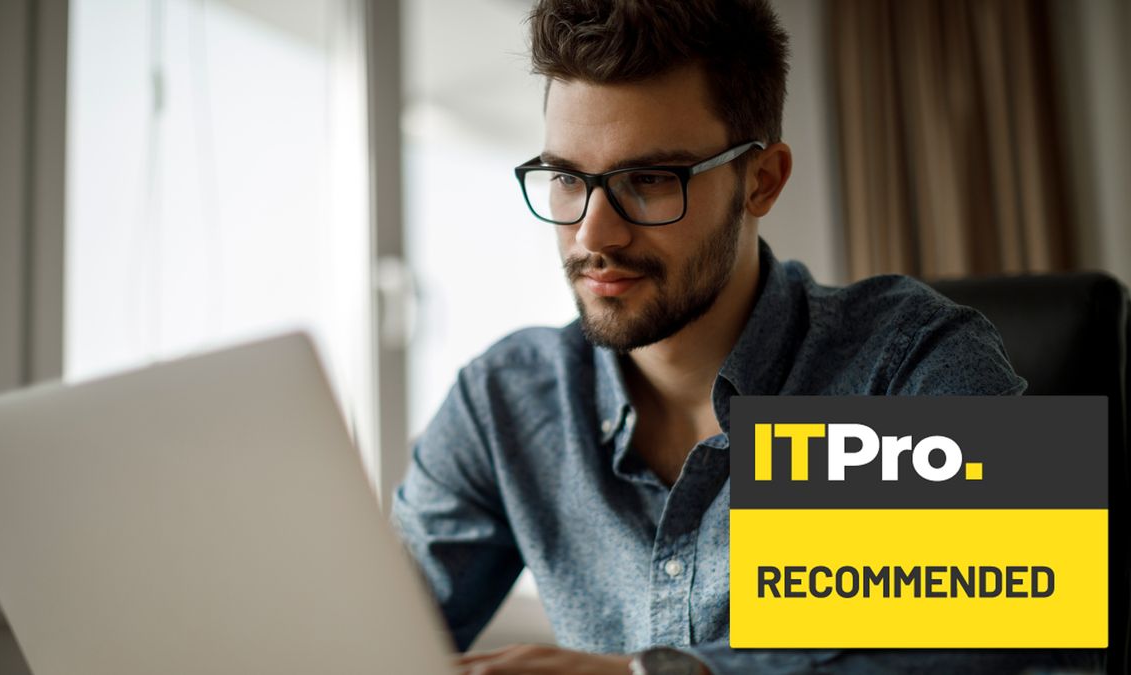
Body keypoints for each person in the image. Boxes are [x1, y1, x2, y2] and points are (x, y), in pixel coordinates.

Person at [392, 1, 1100, 673]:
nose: (591, 234)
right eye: (568, 179)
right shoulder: (504, 401)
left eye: (648, 179)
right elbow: (368, 628)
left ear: (761, 180)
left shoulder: (902, 361)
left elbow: (1030, 648)